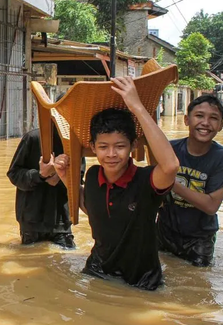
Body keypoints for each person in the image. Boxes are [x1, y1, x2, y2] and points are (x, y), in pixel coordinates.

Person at [53, 76, 179, 290]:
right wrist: (66, 177)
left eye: (119, 146)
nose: (111, 154)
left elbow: (170, 166)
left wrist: (136, 106)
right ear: (93, 147)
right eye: (103, 147)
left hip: (141, 281)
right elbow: (92, 208)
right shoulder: (93, 176)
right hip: (97, 272)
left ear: (132, 145)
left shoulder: (146, 181)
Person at [157, 95, 223, 267]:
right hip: (164, 232)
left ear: (221, 126)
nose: (206, 123)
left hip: (200, 239)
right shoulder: (170, 149)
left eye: (213, 118)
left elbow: (211, 206)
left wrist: (171, 183)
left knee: (198, 286)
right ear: (186, 120)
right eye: (199, 116)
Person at [7, 121, 85, 249]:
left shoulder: (75, 142)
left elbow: (79, 176)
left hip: (61, 219)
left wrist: (59, 177)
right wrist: (40, 175)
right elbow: (14, 174)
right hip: (32, 218)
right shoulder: (33, 138)